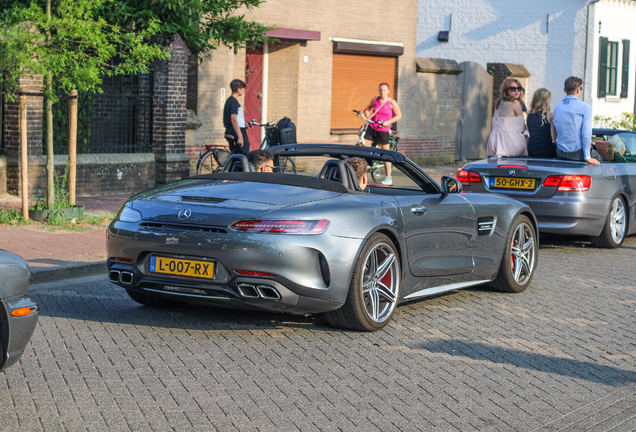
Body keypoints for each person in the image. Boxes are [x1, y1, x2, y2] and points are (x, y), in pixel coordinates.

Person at [552, 76, 602, 165]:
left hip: (560, 152)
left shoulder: (557, 108)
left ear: (564, 90)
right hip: (577, 153)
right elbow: (586, 134)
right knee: (600, 159)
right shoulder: (585, 107)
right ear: (578, 90)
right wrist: (587, 157)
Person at [363, 82, 402, 185]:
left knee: (386, 154)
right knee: (363, 149)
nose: (382, 92)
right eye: (380, 90)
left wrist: (388, 122)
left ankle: (388, 177)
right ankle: (363, 173)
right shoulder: (375, 100)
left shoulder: (391, 102)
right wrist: (367, 111)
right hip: (372, 128)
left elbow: (398, 115)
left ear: (388, 91)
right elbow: (367, 107)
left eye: (384, 90)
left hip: (383, 131)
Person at [487, 78, 528, 158]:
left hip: (494, 144)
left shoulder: (499, 103)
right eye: (513, 89)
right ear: (506, 90)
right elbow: (522, 127)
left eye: (519, 89)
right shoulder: (515, 103)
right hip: (509, 143)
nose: (516, 91)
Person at [526, 88, 557, 158]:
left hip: (532, 149)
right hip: (547, 150)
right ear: (547, 100)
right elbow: (554, 137)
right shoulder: (550, 115)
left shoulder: (529, 115)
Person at [223, 79, 250, 156]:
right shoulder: (234, 102)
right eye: (242, 89)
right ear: (238, 90)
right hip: (237, 131)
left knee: (236, 155)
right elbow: (234, 119)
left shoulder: (229, 101)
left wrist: (244, 123)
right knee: (244, 155)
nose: (243, 91)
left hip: (231, 130)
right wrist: (240, 137)